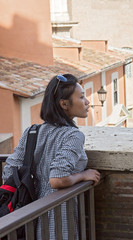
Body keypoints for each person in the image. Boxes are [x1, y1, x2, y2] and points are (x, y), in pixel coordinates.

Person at [2, 74, 100, 239]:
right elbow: (57, 179)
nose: (87, 102)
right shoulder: (73, 136)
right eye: (82, 97)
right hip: (57, 213)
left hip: (27, 212)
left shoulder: (32, 131)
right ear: (64, 104)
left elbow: (9, 171)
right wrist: (84, 175)